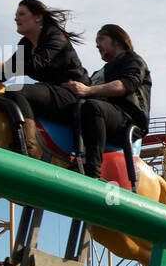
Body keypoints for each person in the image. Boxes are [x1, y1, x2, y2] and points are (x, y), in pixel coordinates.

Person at [0, 0, 91, 156]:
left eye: (22, 14)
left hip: (71, 95)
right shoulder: (26, 43)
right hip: (53, 93)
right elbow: (5, 74)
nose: (16, 18)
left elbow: (34, 64)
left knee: (17, 91)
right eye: (16, 15)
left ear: (38, 17)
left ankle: (27, 147)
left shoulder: (55, 37)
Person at [64, 24, 152, 180]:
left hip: (127, 118)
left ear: (117, 40)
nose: (97, 45)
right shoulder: (101, 71)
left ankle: (92, 170)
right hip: (101, 117)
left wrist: (88, 91)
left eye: (101, 39)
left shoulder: (133, 60)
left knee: (93, 107)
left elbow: (126, 84)